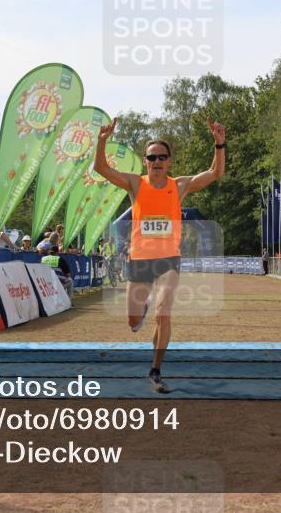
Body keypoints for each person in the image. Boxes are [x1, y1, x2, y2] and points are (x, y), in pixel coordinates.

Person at [94, 117, 225, 393]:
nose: (157, 161)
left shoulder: (178, 186)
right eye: (152, 157)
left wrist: (219, 143)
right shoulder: (135, 184)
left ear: (169, 162)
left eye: (162, 157)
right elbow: (101, 168)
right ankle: (142, 306)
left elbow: (215, 173)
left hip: (168, 261)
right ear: (145, 161)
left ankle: (155, 370)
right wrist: (102, 141)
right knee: (133, 322)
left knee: (164, 314)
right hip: (139, 261)